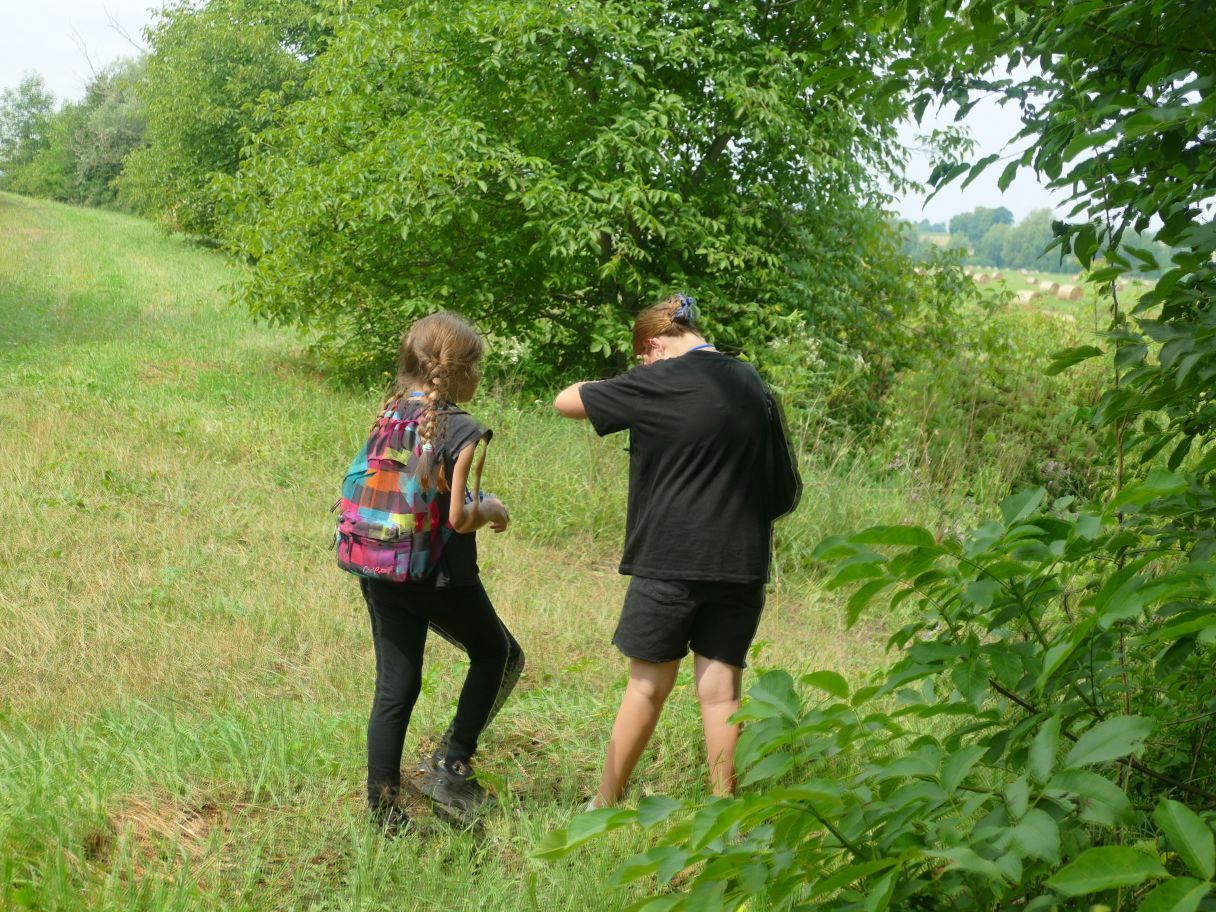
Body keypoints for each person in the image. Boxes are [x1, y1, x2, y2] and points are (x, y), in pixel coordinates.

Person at [553, 294, 778, 808]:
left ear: (654, 344)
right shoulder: (747, 379)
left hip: (671, 558)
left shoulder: (657, 379)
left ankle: (603, 804)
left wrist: (640, 376)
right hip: (741, 560)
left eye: (643, 356)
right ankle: (727, 811)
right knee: (722, 691)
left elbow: (566, 401)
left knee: (647, 685)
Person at [348, 311, 524, 834]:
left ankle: (383, 812)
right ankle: (451, 767)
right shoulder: (463, 430)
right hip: (437, 575)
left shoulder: (390, 412)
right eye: (478, 368)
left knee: (395, 687)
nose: (480, 378)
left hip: (378, 564)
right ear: (459, 373)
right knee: (499, 654)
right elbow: (460, 518)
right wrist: (492, 507)